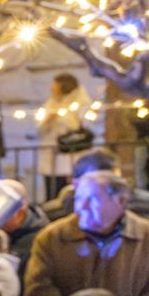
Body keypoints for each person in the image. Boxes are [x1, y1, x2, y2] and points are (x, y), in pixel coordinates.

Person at [21, 170, 149, 296]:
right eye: (79, 199)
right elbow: (38, 293)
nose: (81, 208)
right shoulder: (51, 238)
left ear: (120, 201)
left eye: (92, 199)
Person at [42, 147, 149, 223]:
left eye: (112, 183)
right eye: (94, 187)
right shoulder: (54, 215)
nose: (106, 193)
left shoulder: (146, 205)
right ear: (76, 184)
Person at [39, 72, 95, 200]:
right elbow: (40, 127)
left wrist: (60, 116)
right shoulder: (51, 103)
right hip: (52, 151)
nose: (52, 88)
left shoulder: (80, 102)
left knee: (70, 189)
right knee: (53, 189)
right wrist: (48, 120)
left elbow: (80, 124)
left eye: (55, 85)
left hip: (71, 152)